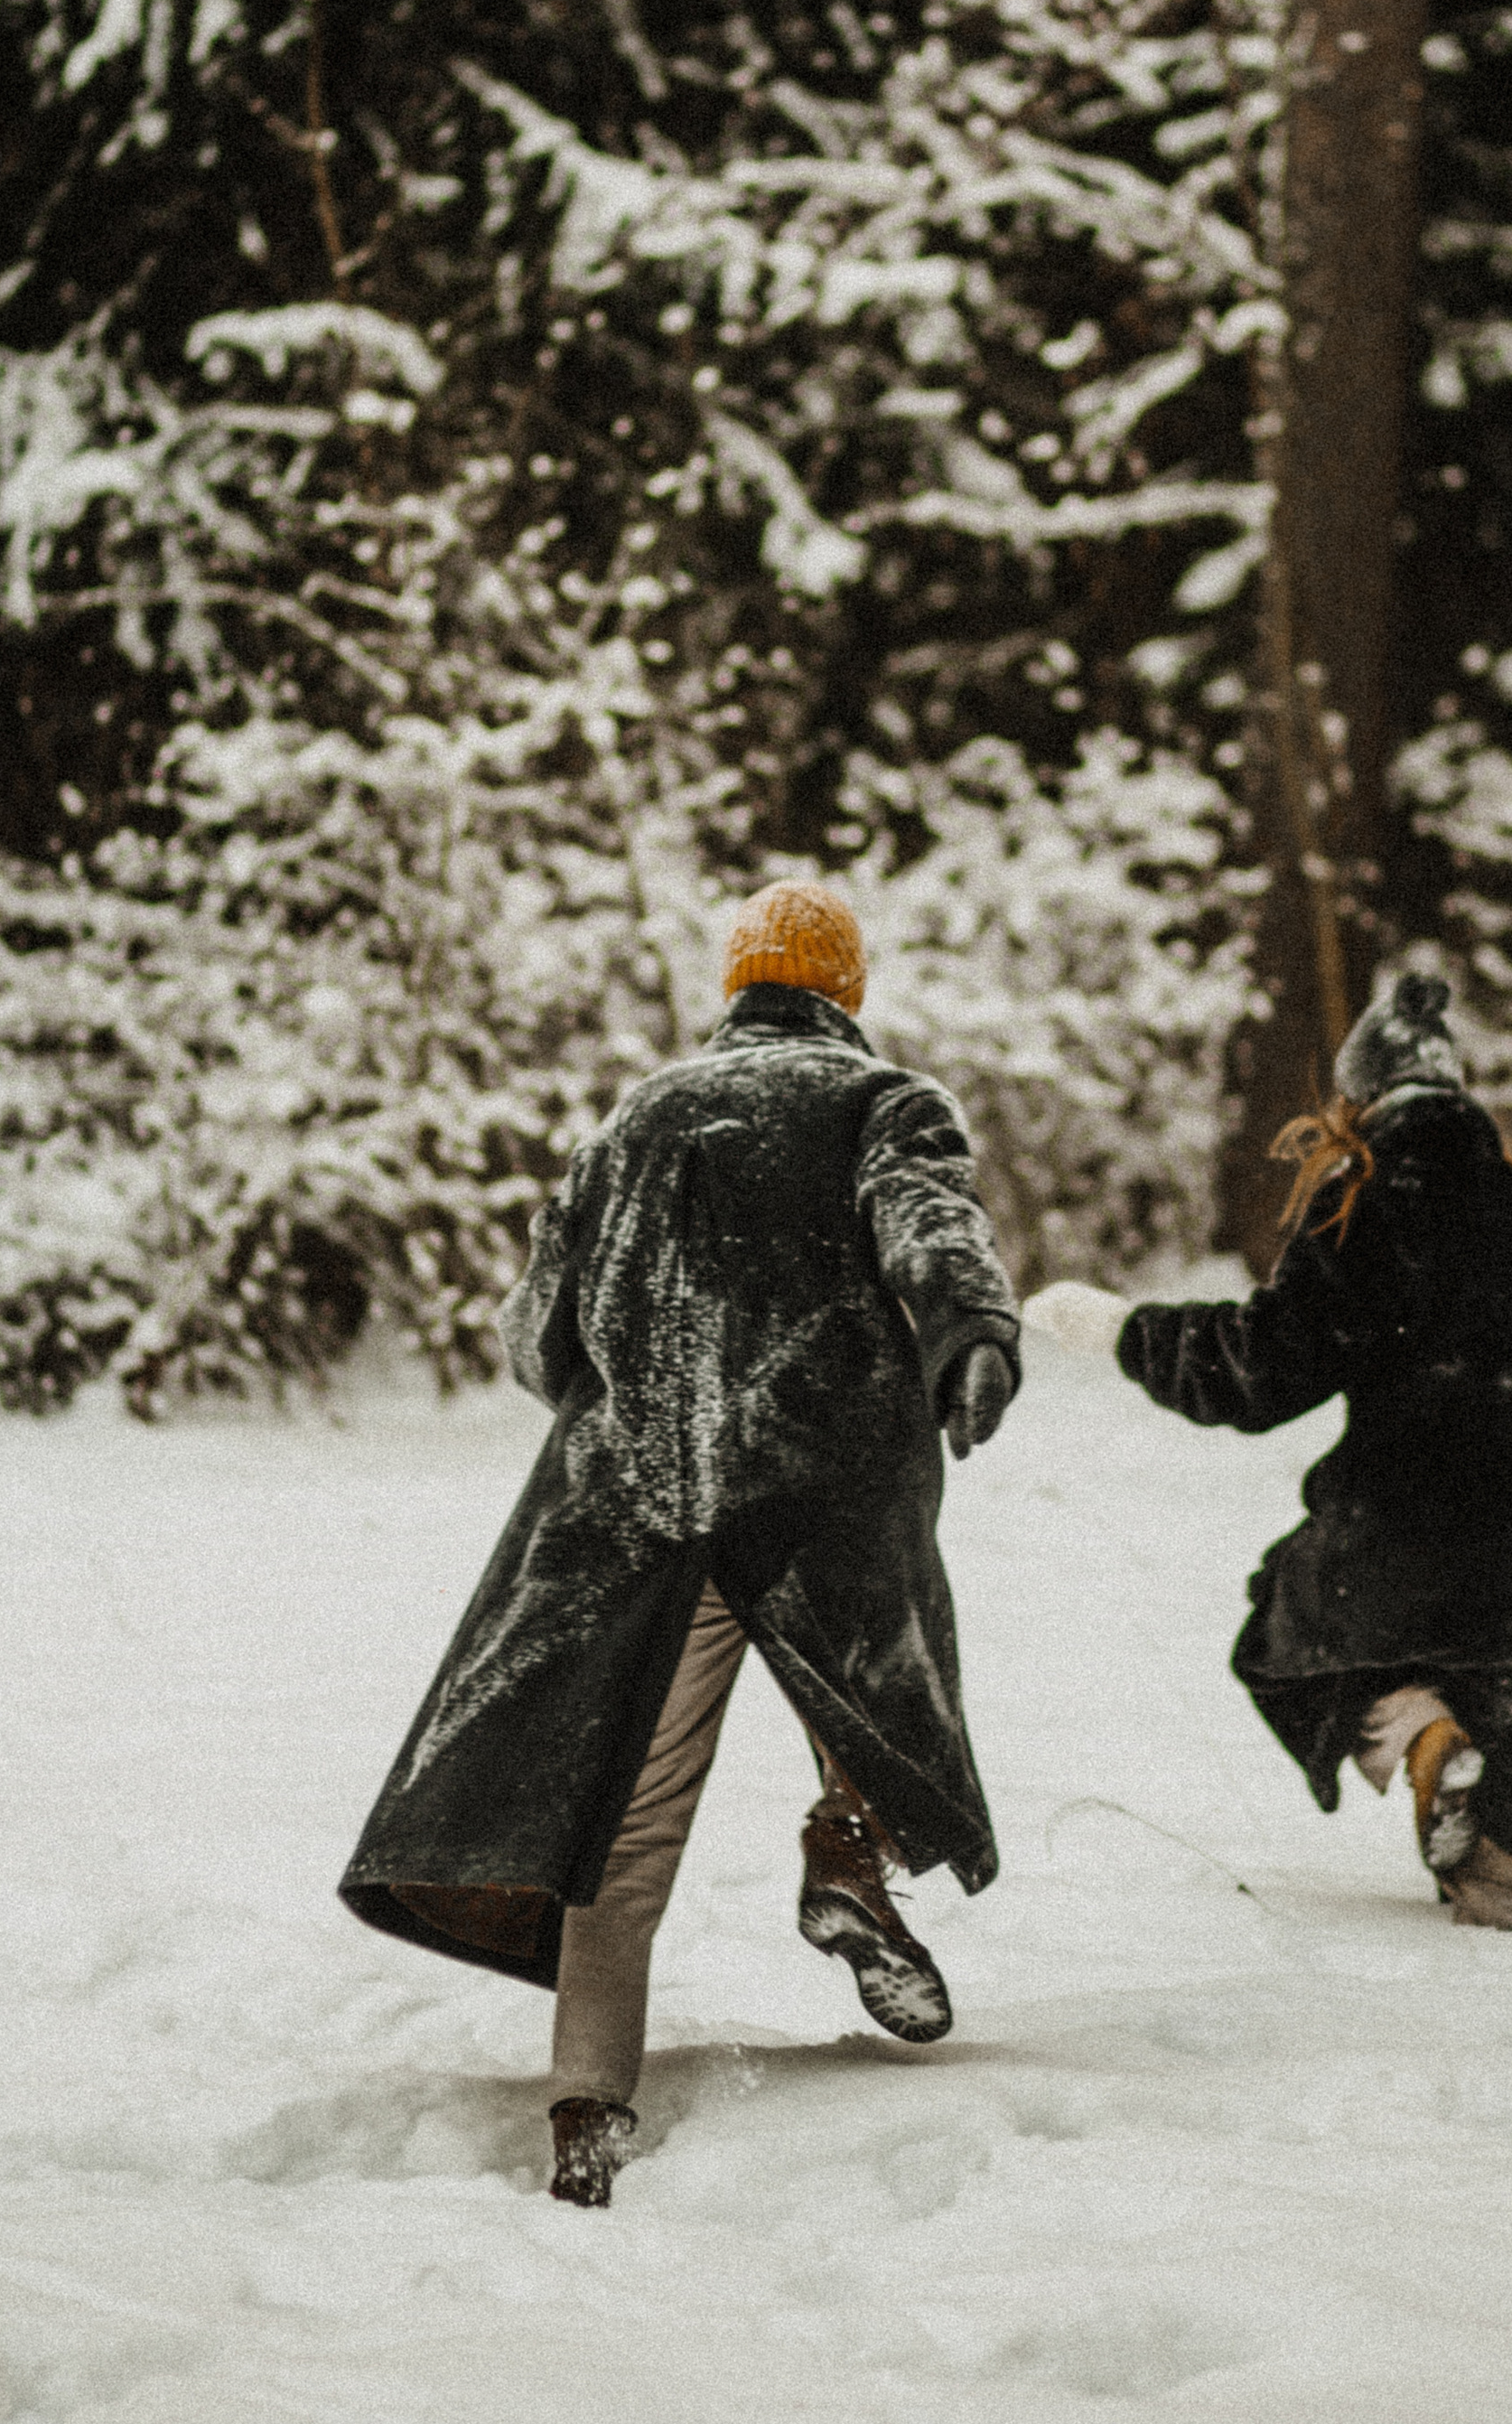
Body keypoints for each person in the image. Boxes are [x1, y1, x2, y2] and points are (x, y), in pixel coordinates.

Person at [339, 878, 1021, 2204]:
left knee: (626, 1819)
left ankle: (588, 2108)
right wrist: (971, 1337)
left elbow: (542, 1329)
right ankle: (850, 1858)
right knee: (873, 1702)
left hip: (644, 1497)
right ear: (846, 993)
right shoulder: (884, 1102)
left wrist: (648, 1388)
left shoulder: (635, 1118)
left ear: (736, 988)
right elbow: (931, 1223)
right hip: (825, 1481)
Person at [1026, 972, 1512, 1931]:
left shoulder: (1355, 1208)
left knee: (1282, 1642)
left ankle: (1418, 1733)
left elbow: (1252, 1375)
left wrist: (1124, 1330)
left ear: (1359, 1106)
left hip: (1397, 1544)